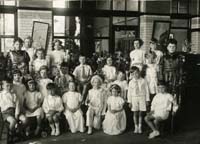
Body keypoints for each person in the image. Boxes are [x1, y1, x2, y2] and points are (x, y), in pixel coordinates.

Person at [127, 66, 150, 134]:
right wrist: (130, 101)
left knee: (140, 113)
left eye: (137, 73)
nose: (135, 75)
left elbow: (147, 90)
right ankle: (136, 127)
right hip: (134, 98)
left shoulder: (143, 80)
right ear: (132, 74)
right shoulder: (131, 82)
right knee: (135, 113)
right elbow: (129, 92)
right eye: (133, 74)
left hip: (142, 97)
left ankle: (140, 127)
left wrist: (147, 100)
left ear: (139, 73)